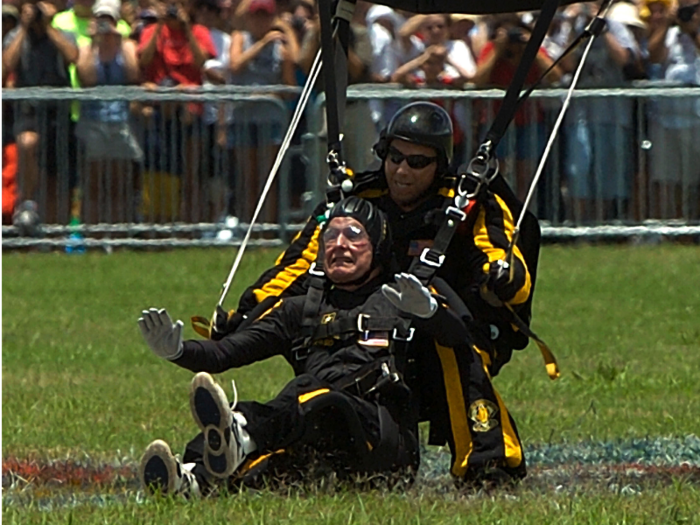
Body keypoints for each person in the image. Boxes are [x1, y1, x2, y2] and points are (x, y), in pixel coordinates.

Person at [204, 102, 536, 488]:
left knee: (447, 340)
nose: (402, 170)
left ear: (439, 164)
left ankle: (488, 463)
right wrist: (248, 312)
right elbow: (300, 264)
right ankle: (277, 455)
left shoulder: (466, 202)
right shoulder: (361, 199)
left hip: (450, 330)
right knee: (320, 340)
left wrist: (502, 277)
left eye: (417, 162)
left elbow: (503, 258)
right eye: (395, 157)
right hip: (367, 333)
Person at [137, 197, 472, 497]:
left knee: (314, 395)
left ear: (379, 246)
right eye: (330, 236)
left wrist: (429, 314)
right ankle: (192, 481)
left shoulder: (403, 297)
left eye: (353, 235)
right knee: (276, 464)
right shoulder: (300, 308)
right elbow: (226, 352)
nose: (339, 244)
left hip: (382, 446)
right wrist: (177, 351)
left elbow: (462, 343)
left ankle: (241, 432)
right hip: (315, 438)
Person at [3, 0, 79, 227]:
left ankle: (57, 234)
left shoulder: (62, 33)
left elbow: (72, 56)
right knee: (27, 143)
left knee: (57, 178)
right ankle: (26, 204)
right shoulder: (16, 35)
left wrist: (48, 26)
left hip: (58, 110)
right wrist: (25, 27)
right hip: (28, 108)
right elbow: (7, 63)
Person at [75, 0, 142, 225]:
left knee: (119, 183)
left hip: (121, 121)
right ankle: (94, 235)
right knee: (93, 184)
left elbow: (133, 75)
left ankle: (118, 235)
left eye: (108, 20)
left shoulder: (127, 46)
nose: (104, 24)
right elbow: (87, 78)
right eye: (100, 19)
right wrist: (95, 44)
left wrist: (119, 41)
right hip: (93, 121)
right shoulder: (86, 47)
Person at [645, 0, 699, 220]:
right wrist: (667, 23)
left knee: (695, 180)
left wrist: (692, 31)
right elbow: (653, 56)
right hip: (667, 120)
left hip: (696, 119)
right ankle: (672, 227)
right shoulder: (669, 34)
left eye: (693, 10)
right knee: (668, 179)